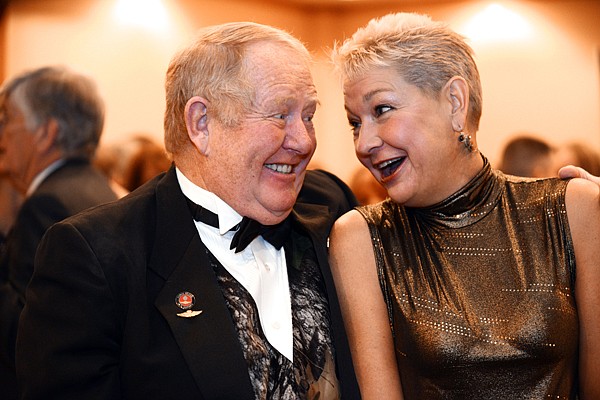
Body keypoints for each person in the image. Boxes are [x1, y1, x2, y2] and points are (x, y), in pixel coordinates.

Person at [16, 22, 360, 399]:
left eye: (308, 116)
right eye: (280, 115)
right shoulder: (97, 258)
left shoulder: (331, 205)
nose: (303, 140)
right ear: (201, 124)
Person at [329, 12, 600, 399]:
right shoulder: (360, 238)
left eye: (382, 110)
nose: (363, 143)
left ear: (455, 102)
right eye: (355, 123)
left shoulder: (572, 209)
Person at [0, 66, 119, 399]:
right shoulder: (97, 188)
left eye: (7, 119)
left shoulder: (47, 203)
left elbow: (26, 336)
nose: (2, 133)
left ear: (45, 133)